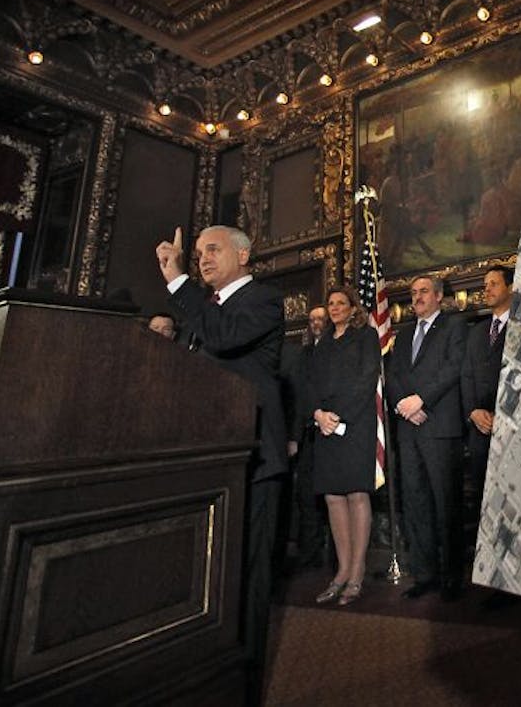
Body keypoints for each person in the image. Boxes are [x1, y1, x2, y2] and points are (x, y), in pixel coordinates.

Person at [155, 225, 287, 697]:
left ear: (244, 254)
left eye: (213, 249)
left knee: (248, 577)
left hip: (252, 456)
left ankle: (245, 687)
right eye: (198, 253)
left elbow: (225, 339)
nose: (203, 258)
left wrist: (177, 281)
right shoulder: (204, 309)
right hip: (208, 457)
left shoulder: (263, 301)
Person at [386, 276, 469, 600]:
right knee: (416, 502)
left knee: (446, 503)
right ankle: (425, 574)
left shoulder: (455, 327)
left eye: (423, 292)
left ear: (438, 296)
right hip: (409, 428)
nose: (417, 297)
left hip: (439, 427)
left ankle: (452, 579)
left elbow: (453, 367)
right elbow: (392, 374)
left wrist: (422, 400)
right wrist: (404, 405)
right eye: (413, 293)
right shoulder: (404, 334)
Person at [305, 287, 381, 605]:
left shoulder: (365, 337)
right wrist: (319, 414)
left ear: (353, 308)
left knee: (356, 494)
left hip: (355, 424)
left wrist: (339, 417)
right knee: (333, 497)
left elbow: (367, 379)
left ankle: (357, 571)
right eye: (330, 304)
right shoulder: (321, 343)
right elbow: (309, 382)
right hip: (325, 427)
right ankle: (341, 572)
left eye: (341, 303)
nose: (334, 308)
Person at [460, 265, 514, 545]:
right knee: (484, 500)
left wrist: (501, 414)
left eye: (494, 284)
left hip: (509, 428)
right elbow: (466, 375)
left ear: (510, 288)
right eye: (485, 285)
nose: (487, 289)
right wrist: (472, 411)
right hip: (479, 430)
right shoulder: (477, 332)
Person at [279, 305, 330, 570]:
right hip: (309, 434)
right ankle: (309, 554)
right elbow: (297, 397)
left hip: (334, 433)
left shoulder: (337, 348)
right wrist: (294, 436)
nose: (317, 323)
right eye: (312, 320)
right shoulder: (303, 354)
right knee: (306, 496)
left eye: (321, 318)